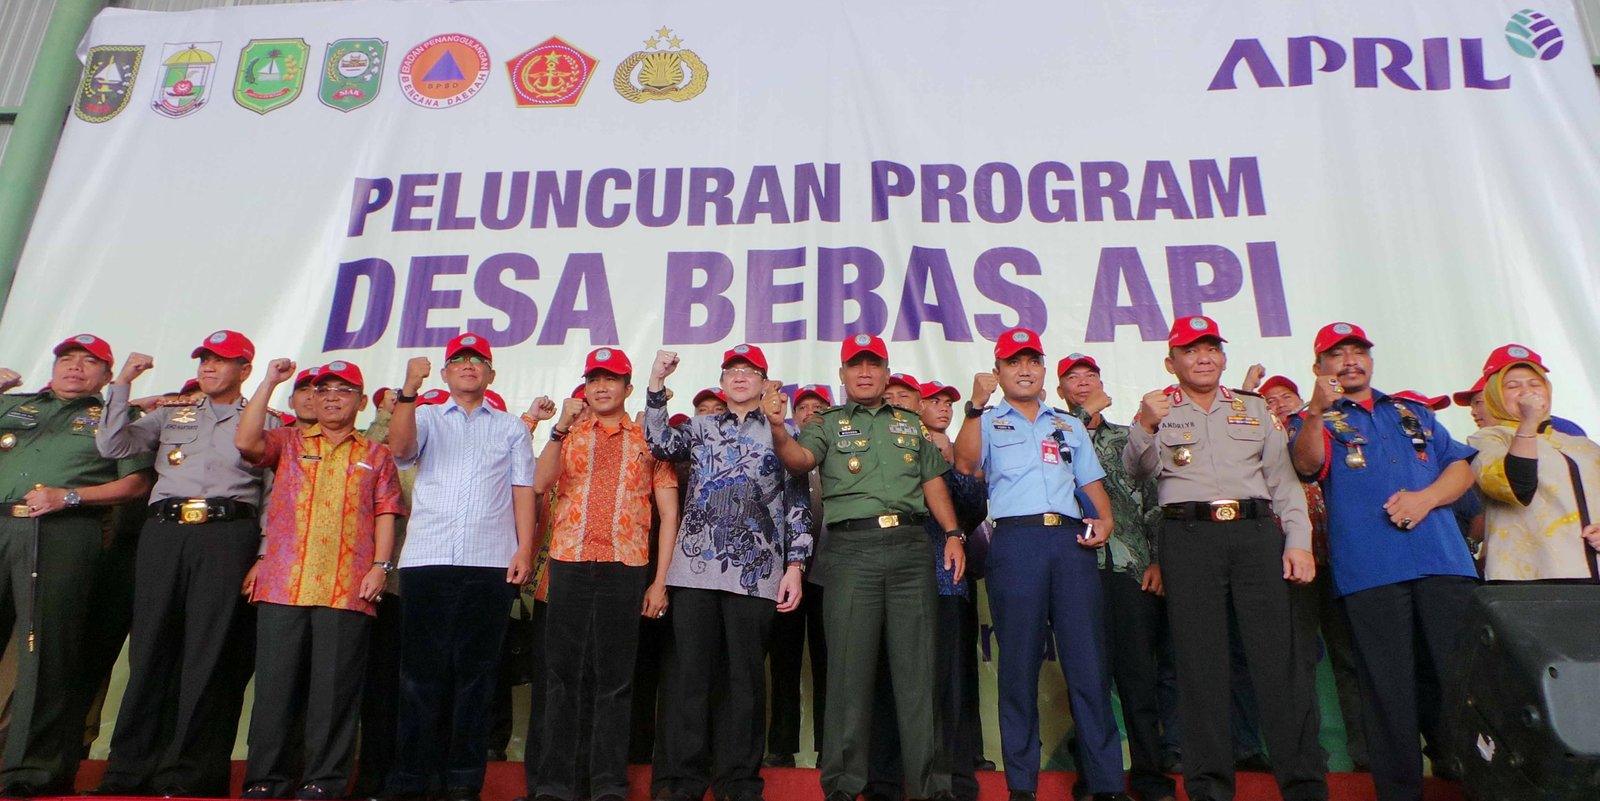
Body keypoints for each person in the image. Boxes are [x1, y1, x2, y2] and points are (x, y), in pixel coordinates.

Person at [1123, 315, 1325, 801]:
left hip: (1256, 535)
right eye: (1192, 350)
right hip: (1189, 538)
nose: (1204, 357)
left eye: (1212, 348)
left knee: (1280, 663)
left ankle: (1303, 786)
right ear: (1171, 362)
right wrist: (1144, 424)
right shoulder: (1157, 409)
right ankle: (1210, 788)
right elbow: (1137, 472)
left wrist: (1297, 540)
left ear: (1224, 356)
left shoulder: (1254, 409)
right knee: (1199, 666)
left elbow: (1284, 482)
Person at [768, 333, 964, 801]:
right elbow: (798, 461)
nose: (864, 372)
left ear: (885, 371)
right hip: (852, 551)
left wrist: (954, 534)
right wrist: (777, 428)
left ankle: (931, 789)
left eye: (872, 364)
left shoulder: (909, 423)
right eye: (855, 365)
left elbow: (933, 480)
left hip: (911, 549)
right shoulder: (826, 423)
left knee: (918, 676)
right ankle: (842, 787)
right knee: (848, 677)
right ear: (841, 374)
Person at [1289, 322, 1478, 801]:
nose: (1350, 360)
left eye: (1358, 351)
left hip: (1443, 562)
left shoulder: (1411, 411)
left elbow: (1459, 466)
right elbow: (1306, 466)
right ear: (1319, 367)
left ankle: (1477, 779)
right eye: (1337, 354)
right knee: (1386, 686)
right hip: (1372, 569)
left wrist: (1426, 498)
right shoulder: (1316, 420)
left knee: (1460, 679)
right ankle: (1400, 791)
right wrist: (1315, 411)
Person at [92, 330, 273, 797]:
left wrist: (263, 554)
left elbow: (275, 495)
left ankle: (188, 775)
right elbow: (113, 447)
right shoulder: (172, 413)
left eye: (222, 360)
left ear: (245, 370)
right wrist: (123, 387)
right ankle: (127, 772)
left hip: (227, 533)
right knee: (149, 649)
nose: (209, 367)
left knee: (207, 655)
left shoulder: (266, 420)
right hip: (164, 533)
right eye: (205, 359)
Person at [954, 330, 1125, 801]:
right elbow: (966, 465)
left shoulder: (1068, 424)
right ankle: (1022, 786)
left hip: (1071, 544)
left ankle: (1106, 784)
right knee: (1019, 666)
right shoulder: (987, 421)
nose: (1024, 369)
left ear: (1043, 370)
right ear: (999, 370)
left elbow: (1090, 482)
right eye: (1014, 362)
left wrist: (1105, 520)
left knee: (1088, 666)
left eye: (1032, 361)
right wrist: (973, 406)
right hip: (1017, 542)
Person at [644, 344, 812, 801]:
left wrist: (795, 565)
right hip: (694, 572)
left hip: (755, 574)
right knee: (688, 681)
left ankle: (738, 780)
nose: (740, 377)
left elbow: (798, 504)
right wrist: (657, 384)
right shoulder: (699, 427)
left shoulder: (783, 432)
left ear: (763, 381)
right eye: (732, 371)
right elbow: (658, 443)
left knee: (745, 683)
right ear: (722, 382)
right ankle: (681, 779)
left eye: (749, 371)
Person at [236, 359, 403, 800]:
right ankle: (265, 781)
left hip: (348, 586)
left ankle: (323, 783)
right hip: (283, 583)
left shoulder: (376, 454)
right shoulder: (288, 441)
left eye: (344, 390)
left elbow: (387, 512)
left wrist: (380, 568)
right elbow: (246, 441)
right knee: (274, 690)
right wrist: (270, 382)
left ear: (362, 402)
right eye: (324, 389)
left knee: (334, 694)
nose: (331, 397)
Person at [382, 332, 537, 801]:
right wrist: (409, 389)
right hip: (428, 559)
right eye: (459, 360)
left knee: (477, 676)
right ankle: (412, 779)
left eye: (478, 361)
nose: (469, 366)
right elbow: (401, 450)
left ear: (491, 374)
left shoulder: (511, 427)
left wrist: (525, 550)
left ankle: (464, 780)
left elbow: (523, 490)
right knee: (420, 675)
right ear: (446, 373)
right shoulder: (425, 414)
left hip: (490, 562)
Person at [0, 336, 153, 797]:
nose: (75, 367)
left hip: (63, 528)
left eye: (90, 362)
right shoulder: (13, 406)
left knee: (44, 652)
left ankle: (28, 770)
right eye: (67, 358)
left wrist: (68, 496)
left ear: (107, 377)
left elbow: (134, 484)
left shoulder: (120, 416)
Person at [533, 347, 678, 801]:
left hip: (626, 566)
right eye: (594, 378)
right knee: (562, 678)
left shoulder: (649, 441)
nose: (601, 386)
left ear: (628, 388)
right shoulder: (569, 434)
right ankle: (556, 786)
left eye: (611, 379)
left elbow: (668, 515)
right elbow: (539, 484)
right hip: (570, 563)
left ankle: (608, 786)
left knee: (615, 681)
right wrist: (557, 430)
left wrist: (660, 580)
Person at [1056, 351, 1175, 801]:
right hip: (1072, 572)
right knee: (1087, 684)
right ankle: (1093, 778)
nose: (1083, 382)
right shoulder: (1049, 438)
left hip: (1130, 571)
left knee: (1139, 681)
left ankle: (1149, 773)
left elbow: (1156, 506)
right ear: (1060, 390)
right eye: (1073, 377)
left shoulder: (1131, 438)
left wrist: (1159, 561)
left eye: (1091, 375)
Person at [1256, 375, 1369, 773]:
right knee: (1294, 661)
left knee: (1351, 656)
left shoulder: (1323, 430)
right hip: (1284, 562)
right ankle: (1304, 755)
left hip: (1338, 558)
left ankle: (1367, 753)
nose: (1279, 404)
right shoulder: (1256, 437)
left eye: (1285, 396)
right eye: (1269, 399)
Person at [1467, 344, 1600, 581]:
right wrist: (1528, 423)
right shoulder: (1487, 439)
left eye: (1535, 383)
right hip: (1531, 578)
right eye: (1512, 386)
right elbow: (1515, 486)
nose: (1526, 391)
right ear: (1495, 394)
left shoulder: (1583, 446)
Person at [765, 384, 834, 768]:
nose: (809, 412)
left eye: (817, 406)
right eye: (803, 406)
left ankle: (830, 747)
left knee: (830, 662)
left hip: (829, 573)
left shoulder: (840, 455)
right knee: (784, 663)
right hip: (783, 574)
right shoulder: (780, 450)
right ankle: (780, 746)